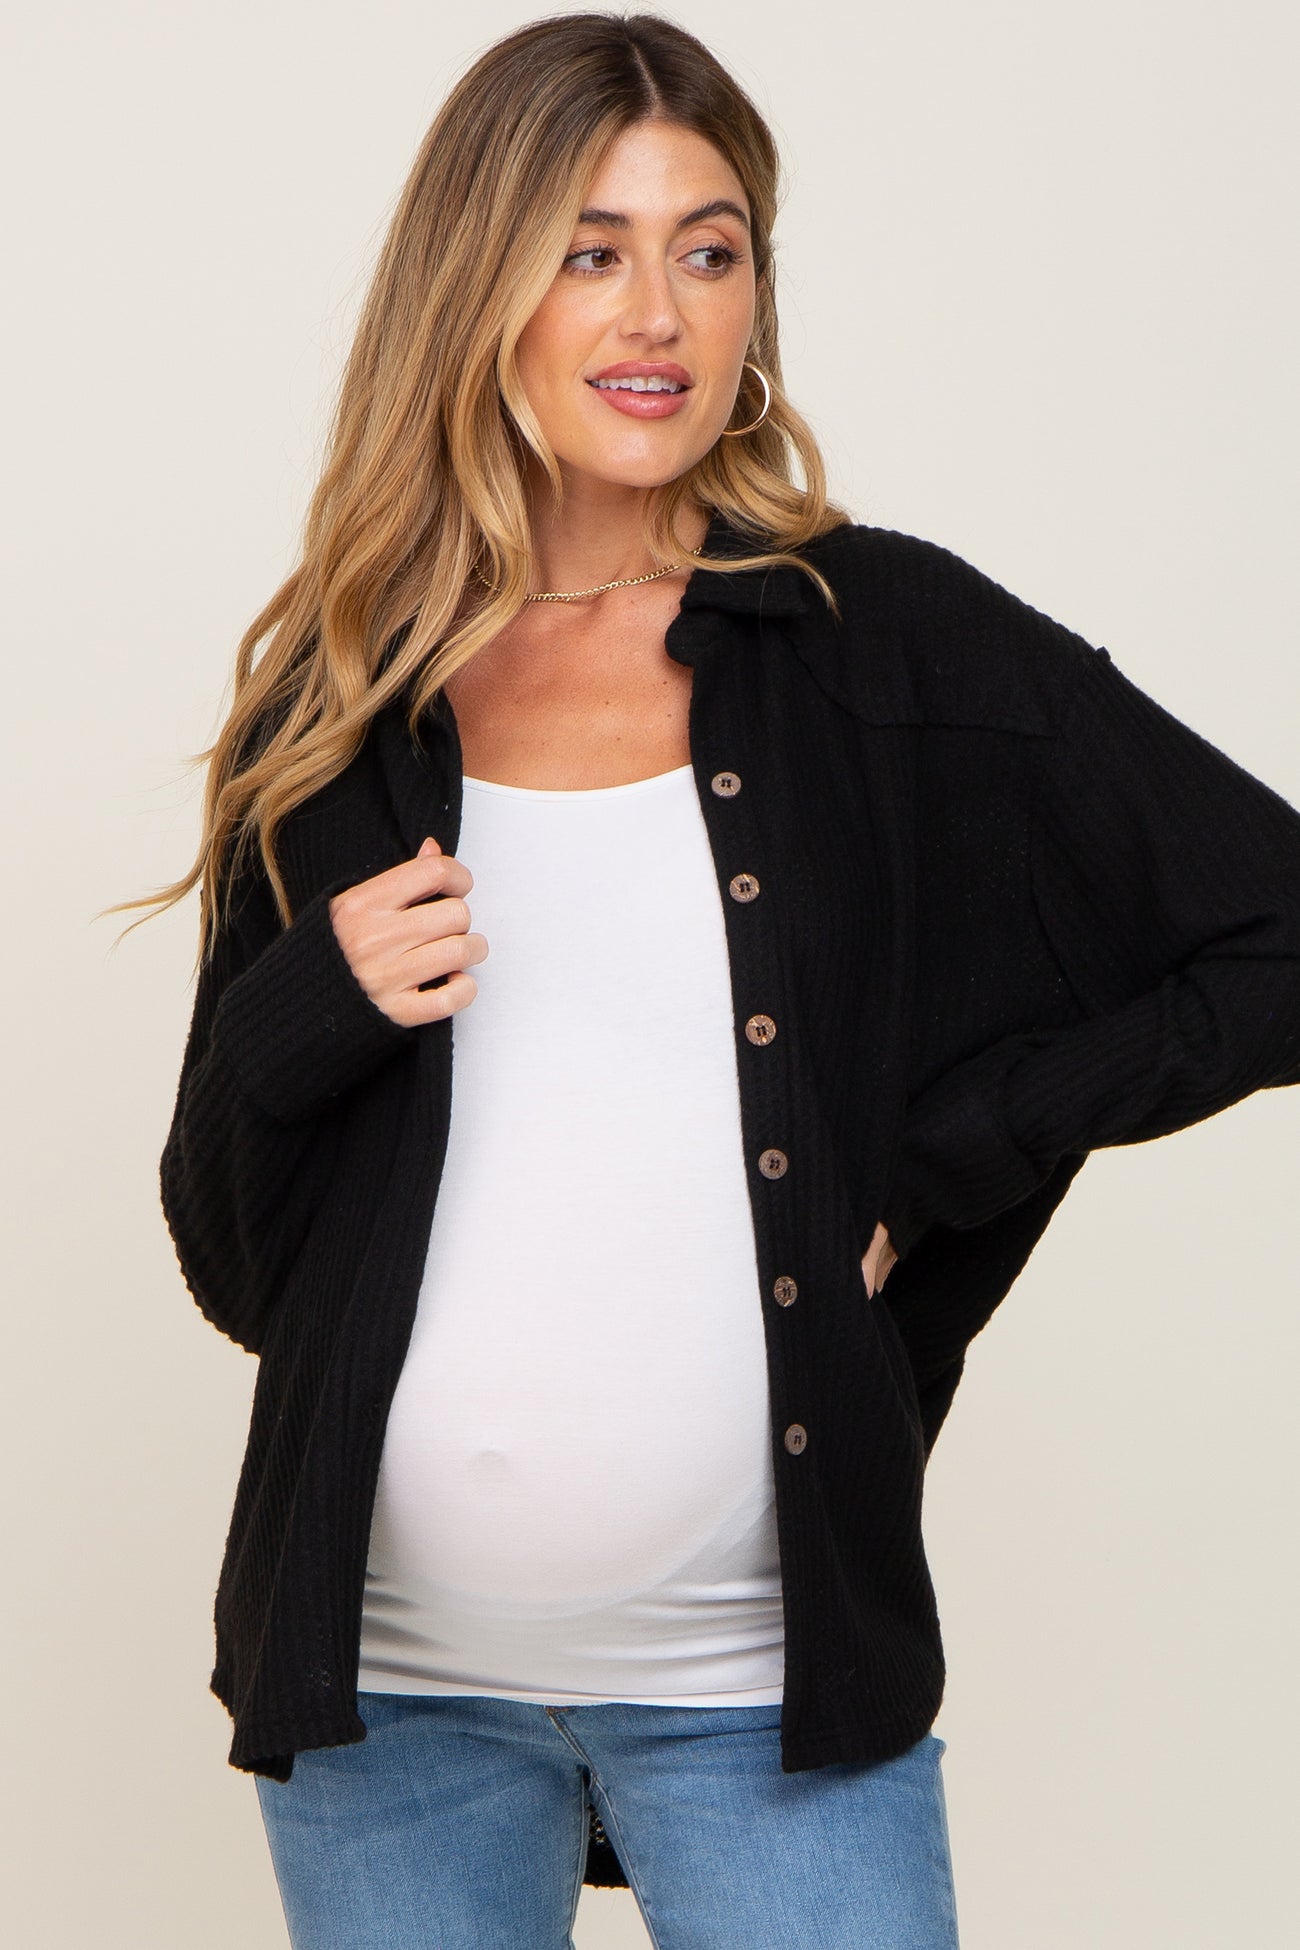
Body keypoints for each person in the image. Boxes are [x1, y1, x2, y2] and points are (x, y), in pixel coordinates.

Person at [115, 12, 1300, 1949]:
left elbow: (1271, 928)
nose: (656, 310)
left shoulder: (880, 641)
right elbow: (236, 1269)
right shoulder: (342, 701)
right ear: (480, 287)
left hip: (761, 1694)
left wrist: (938, 1160)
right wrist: (311, 1003)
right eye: (589, 249)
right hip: (386, 1709)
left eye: (709, 246)